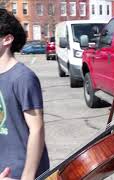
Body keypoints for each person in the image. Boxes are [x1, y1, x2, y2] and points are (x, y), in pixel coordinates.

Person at [0, 9, 49, 179]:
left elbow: (37, 129)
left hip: (21, 172)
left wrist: (27, 177)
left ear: (7, 39)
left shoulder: (23, 77)